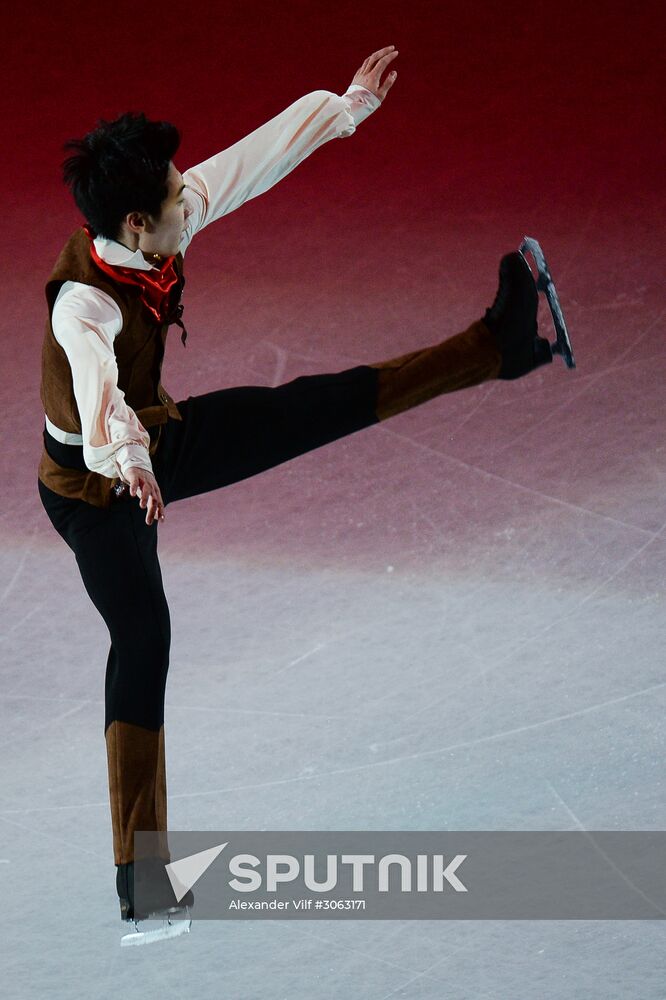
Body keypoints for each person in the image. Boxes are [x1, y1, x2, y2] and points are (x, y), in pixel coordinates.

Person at [38, 45, 557, 927]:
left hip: (160, 442)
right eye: (171, 196)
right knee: (143, 632)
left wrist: (346, 106)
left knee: (310, 407)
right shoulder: (81, 303)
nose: (186, 195)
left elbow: (252, 160)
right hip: (95, 487)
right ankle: (141, 870)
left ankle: (493, 347)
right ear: (134, 223)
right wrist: (128, 462)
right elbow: (95, 401)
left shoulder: (157, 221)